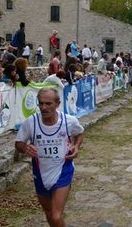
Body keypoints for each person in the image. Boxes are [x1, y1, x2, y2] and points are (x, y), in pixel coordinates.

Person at [15, 88, 84, 227]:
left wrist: (76, 146)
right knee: (49, 214)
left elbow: (80, 133)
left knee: (56, 215)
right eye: (41, 103)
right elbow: (18, 143)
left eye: (48, 103)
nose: (43, 107)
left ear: (57, 103)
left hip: (63, 170)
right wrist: (25, 148)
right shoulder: (31, 122)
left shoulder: (69, 121)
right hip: (40, 173)